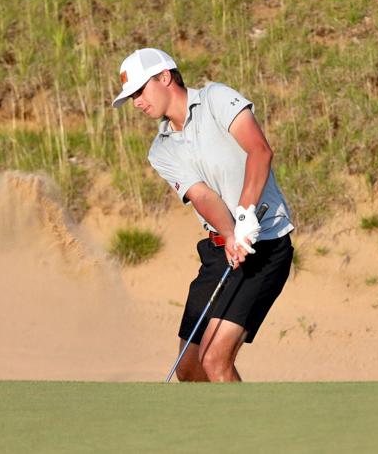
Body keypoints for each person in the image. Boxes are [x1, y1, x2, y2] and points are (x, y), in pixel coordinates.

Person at [112, 48, 295, 382]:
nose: (136, 102)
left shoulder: (216, 99)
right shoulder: (161, 149)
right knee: (189, 366)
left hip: (266, 245)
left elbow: (259, 150)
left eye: (139, 91)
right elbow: (202, 196)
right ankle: (211, 431)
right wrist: (230, 235)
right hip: (220, 250)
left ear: (164, 77)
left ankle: (246, 434)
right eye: (132, 97)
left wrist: (244, 216)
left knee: (214, 359)